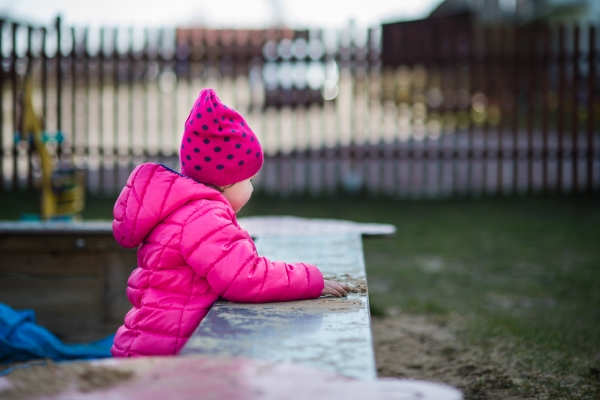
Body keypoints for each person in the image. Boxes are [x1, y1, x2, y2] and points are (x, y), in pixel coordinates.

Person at [111, 88, 349, 357]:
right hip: (168, 356)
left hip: (152, 343)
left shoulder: (185, 211)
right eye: (249, 180)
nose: (252, 188)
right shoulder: (203, 218)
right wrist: (308, 279)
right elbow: (244, 276)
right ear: (226, 180)